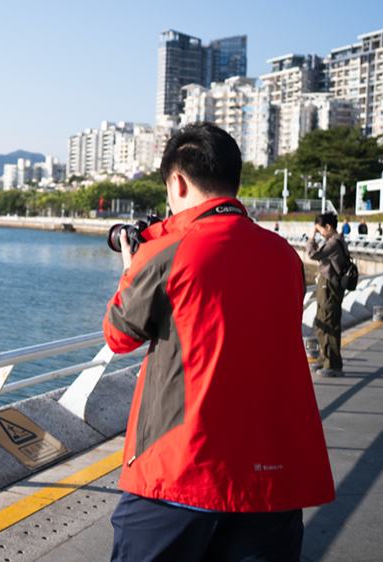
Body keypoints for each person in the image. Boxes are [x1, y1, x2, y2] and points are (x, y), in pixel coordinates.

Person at [103, 123, 334, 562]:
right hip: (271, 476)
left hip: (182, 470)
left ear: (178, 181)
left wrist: (133, 270)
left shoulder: (167, 252)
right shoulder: (284, 256)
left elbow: (118, 335)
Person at [308, 213, 350, 378]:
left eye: (320, 231)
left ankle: (332, 364)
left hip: (329, 287)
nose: (320, 234)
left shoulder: (333, 243)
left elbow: (313, 254)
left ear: (328, 227)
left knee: (328, 323)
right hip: (328, 286)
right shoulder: (338, 240)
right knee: (322, 323)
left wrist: (311, 238)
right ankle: (325, 358)